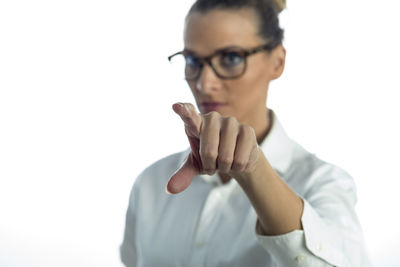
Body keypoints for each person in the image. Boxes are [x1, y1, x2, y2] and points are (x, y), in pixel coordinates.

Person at [120, 0, 371, 266]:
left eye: (231, 58)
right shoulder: (151, 185)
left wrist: (254, 170)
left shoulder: (323, 183)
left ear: (278, 61)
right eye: (193, 60)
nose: (205, 83)